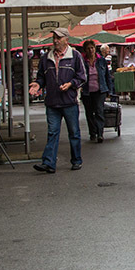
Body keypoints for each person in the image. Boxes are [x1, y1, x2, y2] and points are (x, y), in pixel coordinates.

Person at [30, 28, 87, 173]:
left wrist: (71, 84)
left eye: (59, 38)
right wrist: (37, 84)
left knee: (73, 132)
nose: (55, 40)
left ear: (66, 40)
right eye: (54, 37)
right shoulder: (46, 57)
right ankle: (49, 163)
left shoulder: (75, 56)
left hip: (69, 101)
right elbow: (41, 77)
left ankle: (76, 160)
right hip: (52, 102)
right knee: (52, 132)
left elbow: (82, 77)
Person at [80, 39, 112, 143]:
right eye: (88, 48)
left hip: (100, 90)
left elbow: (107, 75)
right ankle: (92, 133)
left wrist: (109, 90)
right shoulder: (82, 61)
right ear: (85, 50)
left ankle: (100, 133)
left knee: (99, 111)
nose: (90, 50)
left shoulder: (101, 60)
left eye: (92, 48)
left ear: (95, 49)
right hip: (87, 91)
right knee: (89, 113)